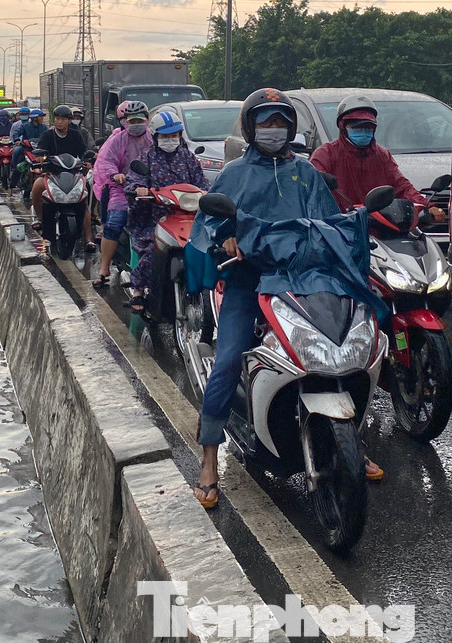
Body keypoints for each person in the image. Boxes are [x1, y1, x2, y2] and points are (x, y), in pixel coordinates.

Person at [189, 88, 383, 509]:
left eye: (280, 121)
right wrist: (227, 240)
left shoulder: (306, 172)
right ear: (250, 126)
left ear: (291, 127)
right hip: (249, 280)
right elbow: (207, 224)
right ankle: (207, 460)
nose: (273, 129)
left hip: (305, 276)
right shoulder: (234, 174)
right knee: (226, 362)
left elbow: (329, 221)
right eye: (265, 121)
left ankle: (355, 440)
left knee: (348, 344)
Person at [124, 108, 208, 315]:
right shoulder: (146, 158)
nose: (170, 140)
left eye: (174, 135)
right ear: (155, 136)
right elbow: (134, 181)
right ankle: (138, 289)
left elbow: (202, 182)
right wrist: (139, 189)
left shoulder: (188, 158)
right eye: (165, 136)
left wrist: (208, 193)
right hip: (155, 216)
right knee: (154, 250)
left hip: (188, 216)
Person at [309, 93, 446, 220]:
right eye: (357, 128)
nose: (364, 132)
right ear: (343, 127)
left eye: (368, 128)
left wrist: (428, 205)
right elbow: (312, 189)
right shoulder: (326, 154)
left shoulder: (381, 155)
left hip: (382, 227)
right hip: (342, 229)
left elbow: (402, 187)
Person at [92, 100, 152, 288]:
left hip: (151, 191)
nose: (136, 124)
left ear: (147, 120)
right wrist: (115, 175)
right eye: (131, 121)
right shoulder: (118, 140)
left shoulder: (155, 139)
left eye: (139, 120)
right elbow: (106, 161)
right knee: (114, 223)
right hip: (123, 190)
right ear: (126, 122)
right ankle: (104, 268)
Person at [32, 104, 94, 252]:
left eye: (63, 119)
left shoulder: (75, 135)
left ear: (69, 121)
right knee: (37, 186)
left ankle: (88, 239)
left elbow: (84, 151)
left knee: (85, 197)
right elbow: (40, 151)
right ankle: (39, 218)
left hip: (73, 174)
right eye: (57, 119)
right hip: (52, 174)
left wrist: (88, 160)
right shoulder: (48, 135)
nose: (60, 122)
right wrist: (40, 158)